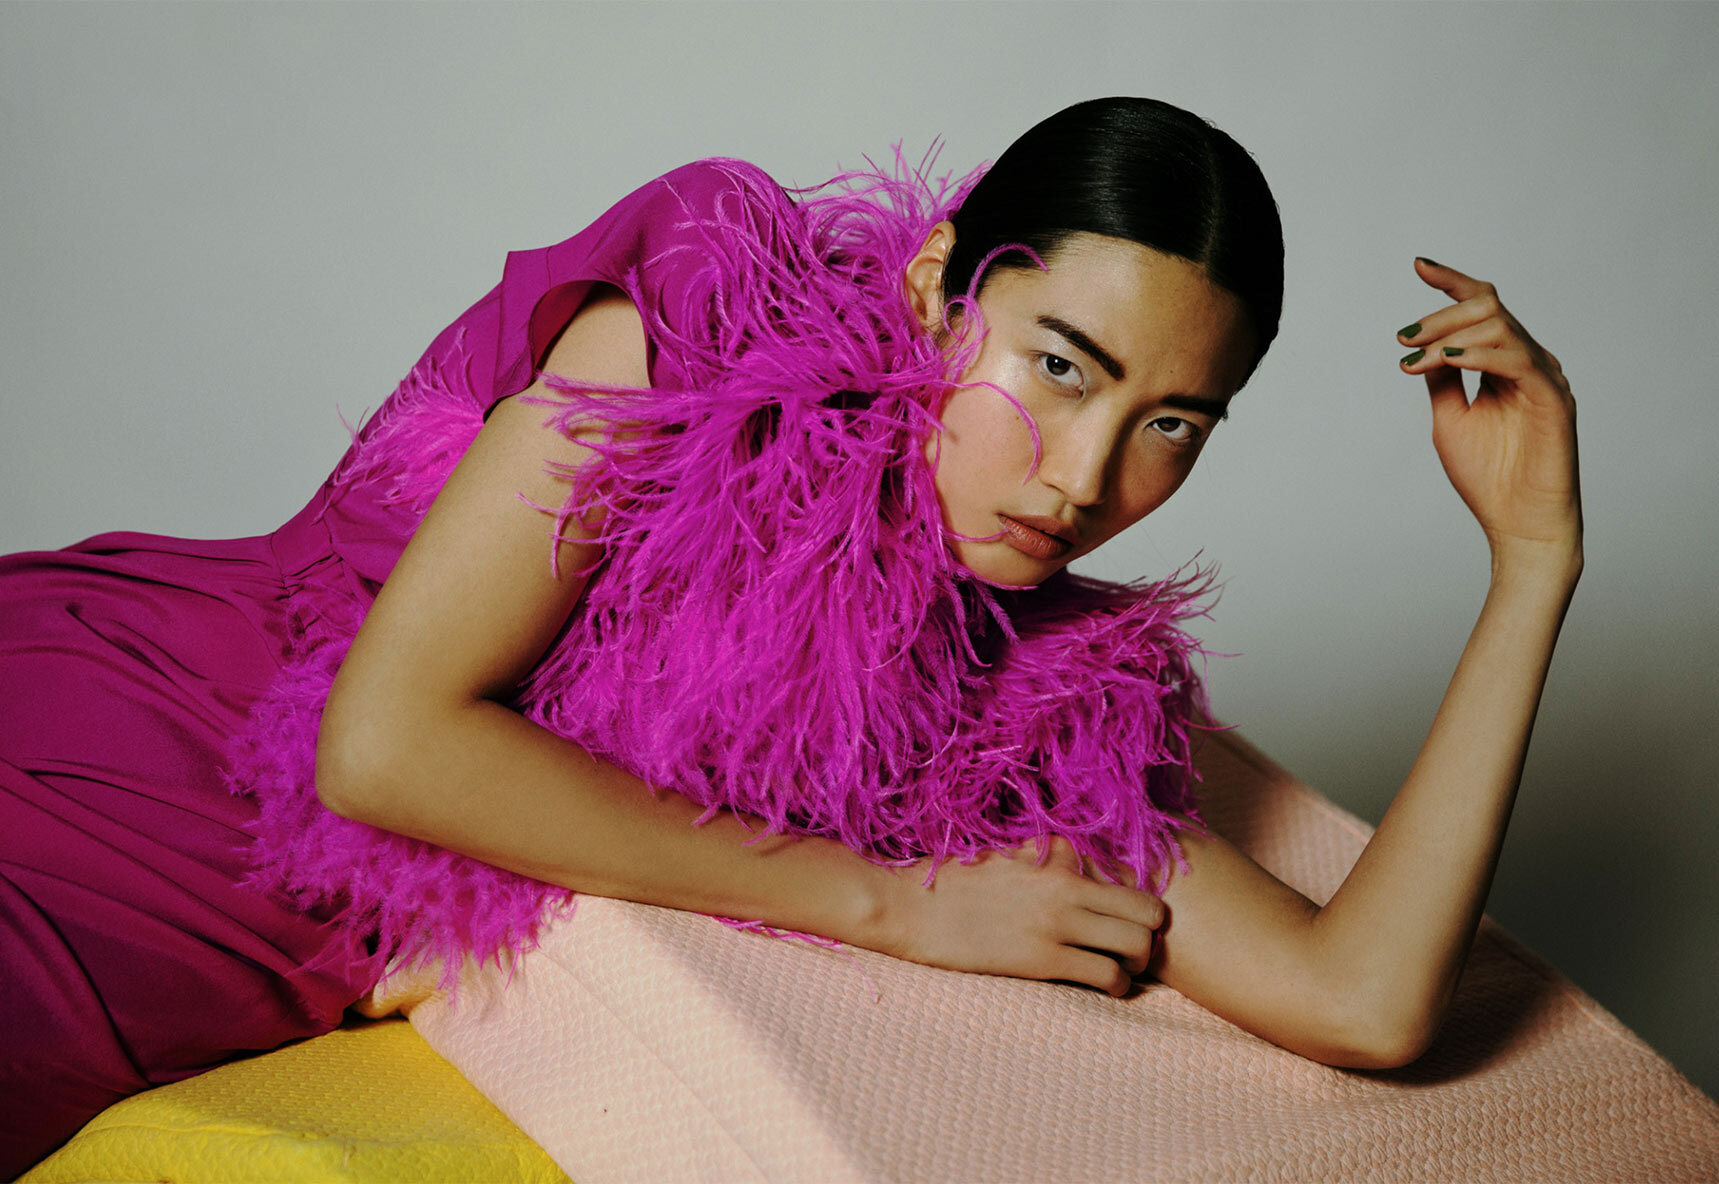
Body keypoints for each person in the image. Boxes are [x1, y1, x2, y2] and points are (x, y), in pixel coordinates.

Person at [0, 96, 1581, 1175]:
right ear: (943, 280)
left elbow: (1361, 999)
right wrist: (890, 906)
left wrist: (1530, 562)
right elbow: (386, 740)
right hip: (113, 757)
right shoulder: (699, 334)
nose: (1087, 479)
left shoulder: (1031, 697)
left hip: (223, 966)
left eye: (1173, 423)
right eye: (1059, 367)